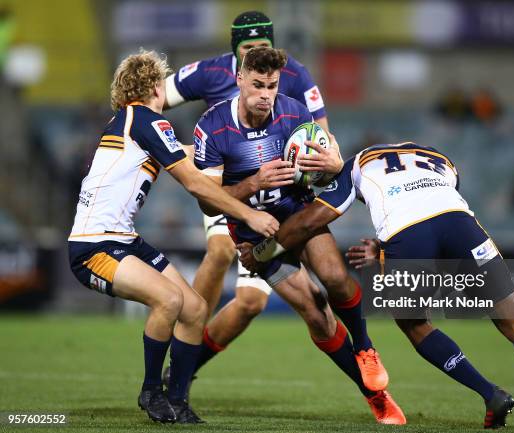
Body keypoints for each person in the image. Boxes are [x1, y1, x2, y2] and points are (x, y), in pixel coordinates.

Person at [238, 141, 514, 433]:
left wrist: (260, 252)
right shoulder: (437, 157)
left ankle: (489, 394)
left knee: (414, 323)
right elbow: (431, 204)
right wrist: (383, 250)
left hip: (407, 232)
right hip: (461, 222)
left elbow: (308, 222)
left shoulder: (353, 167)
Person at [164, 11, 388, 402]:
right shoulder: (210, 97)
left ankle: (367, 356)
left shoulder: (296, 87)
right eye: (249, 55)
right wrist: (163, 147)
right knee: (222, 254)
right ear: (237, 66)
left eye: (272, 81)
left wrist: (329, 165)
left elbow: (322, 143)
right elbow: (204, 191)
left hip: (290, 209)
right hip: (236, 207)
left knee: (299, 290)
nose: (265, 91)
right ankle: (182, 361)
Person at [67, 50, 279, 424]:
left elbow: (194, 156)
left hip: (122, 240)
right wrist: (248, 211)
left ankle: (178, 402)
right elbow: (194, 180)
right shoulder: (147, 118)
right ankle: (152, 392)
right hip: (93, 245)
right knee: (168, 300)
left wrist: (240, 156)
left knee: (195, 308)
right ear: (153, 85)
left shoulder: (132, 120)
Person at [164, 11, 329, 333]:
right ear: (234, 51)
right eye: (246, 47)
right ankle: (187, 338)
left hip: (273, 195)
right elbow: (153, 99)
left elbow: (321, 136)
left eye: (262, 44)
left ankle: (188, 361)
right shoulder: (208, 71)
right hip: (223, 184)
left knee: (252, 302)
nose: (253, 52)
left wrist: (311, 166)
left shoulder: (294, 74)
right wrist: (177, 149)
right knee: (222, 248)